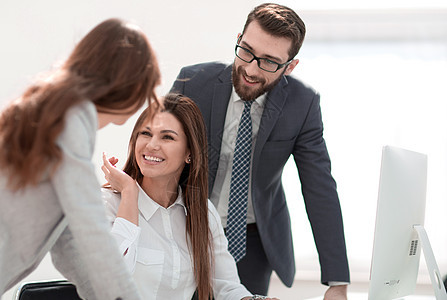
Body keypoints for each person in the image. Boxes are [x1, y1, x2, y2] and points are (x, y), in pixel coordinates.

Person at [170, 3, 350, 299]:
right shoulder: (194, 83)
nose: (251, 69)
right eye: (246, 51)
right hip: (186, 228)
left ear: (290, 66)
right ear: (239, 38)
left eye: (269, 62)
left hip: (250, 241)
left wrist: (337, 281)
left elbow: (320, 188)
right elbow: (158, 146)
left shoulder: (302, 105)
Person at [0, 18, 161, 300]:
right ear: (129, 84)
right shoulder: (71, 121)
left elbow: (69, 244)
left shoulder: (56, 113)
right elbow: (93, 230)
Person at [101, 93, 279, 300]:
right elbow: (110, 282)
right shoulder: (106, 204)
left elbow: (227, 287)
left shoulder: (202, 212)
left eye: (167, 137)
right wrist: (129, 194)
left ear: (190, 153)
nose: (151, 145)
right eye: (145, 134)